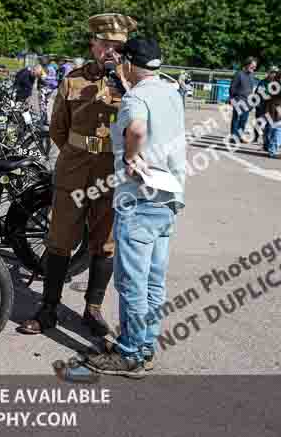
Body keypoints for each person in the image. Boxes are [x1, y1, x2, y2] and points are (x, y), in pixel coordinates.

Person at [17, 13, 138, 337]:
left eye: (118, 46)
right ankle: (48, 309)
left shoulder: (135, 84)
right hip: (74, 170)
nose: (110, 51)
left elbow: (143, 125)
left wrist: (126, 87)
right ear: (93, 44)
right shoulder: (73, 80)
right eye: (105, 44)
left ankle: (93, 309)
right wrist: (79, 151)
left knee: (105, 243)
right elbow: (58, 129)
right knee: (59, 242)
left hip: (111, 173)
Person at [85, 37, 186, 378]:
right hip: (168, 196)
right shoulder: (172, 93)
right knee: (154, 279)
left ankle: (130, 353)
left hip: (140, 196)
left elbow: (139, 129)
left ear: (129, 63)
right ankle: (146, 346)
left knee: (131, 281)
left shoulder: (136, 97)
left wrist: (130, 156)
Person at [229, 57, 258, 141]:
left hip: (248, 102)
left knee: (243, 120)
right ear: (247, 64)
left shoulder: (252, 75)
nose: (254, 68)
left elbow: (252, 89)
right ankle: (234, 137)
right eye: (252, 66)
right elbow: (232, 88)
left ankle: (240, 135)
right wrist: (233, 99)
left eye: (255, 66)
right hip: (238, 100)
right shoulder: (239, 74)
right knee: (236, 120)